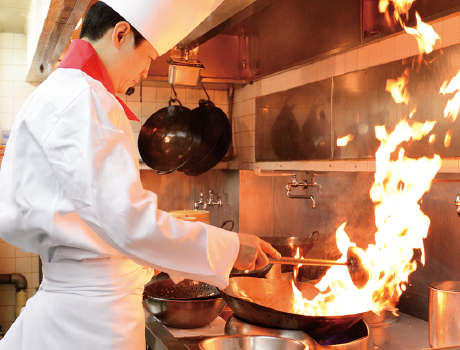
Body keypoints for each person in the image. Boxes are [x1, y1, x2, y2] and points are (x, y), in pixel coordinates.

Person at [0, 1, 280, 349]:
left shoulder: (59, 93)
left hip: (74, 311)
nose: (147, 72)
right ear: (120, 34)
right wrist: (230, 246)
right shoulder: (85, 98)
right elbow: (129, 223)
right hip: (94, 323)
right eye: (148, 57)